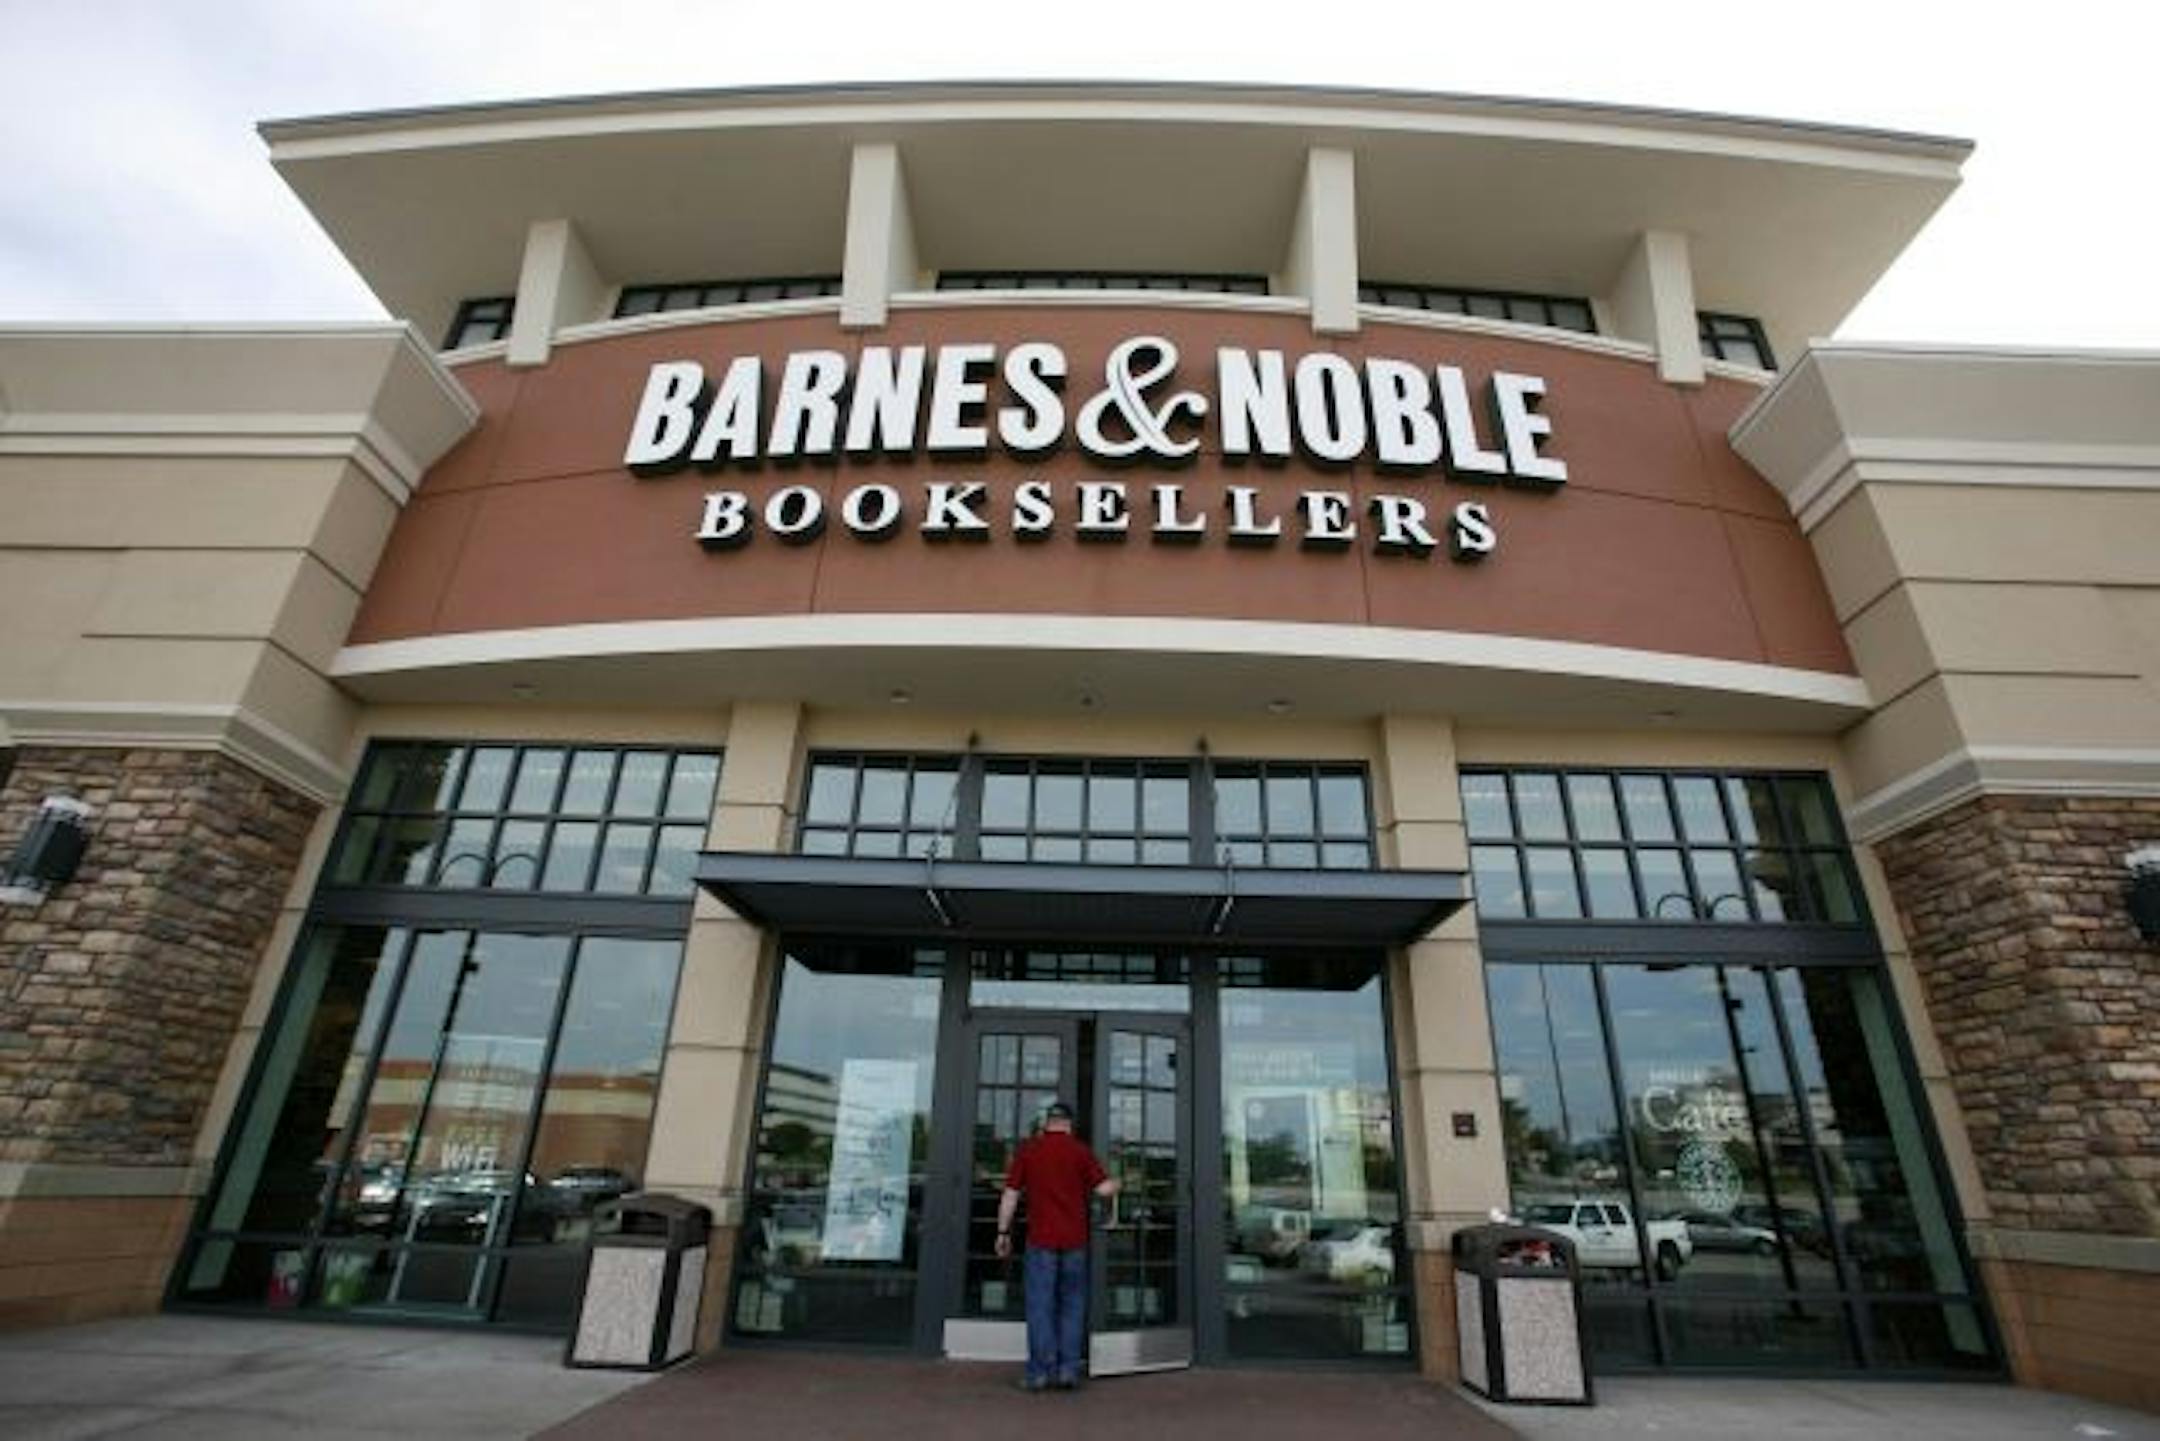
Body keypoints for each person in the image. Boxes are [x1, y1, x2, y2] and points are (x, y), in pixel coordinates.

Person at [995, 1100, 1117, 1392]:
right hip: (1075, 1241)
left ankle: (1038, 1372)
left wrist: (1002, 1231)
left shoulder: (1029, 1151)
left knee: (1040, 1305)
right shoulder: (1080, 1152)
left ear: (1047, 1122)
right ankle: (1067, 1371)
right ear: (1069, 1124)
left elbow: (1010, 1195)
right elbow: (1104, 1190)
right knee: (1072, 1305)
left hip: (1041, 1241)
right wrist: (1116, 1184)